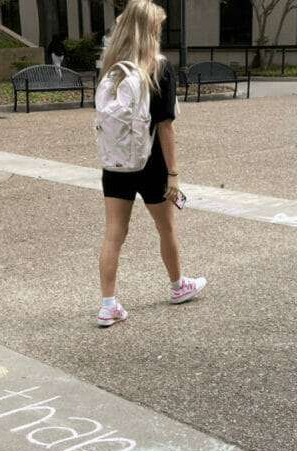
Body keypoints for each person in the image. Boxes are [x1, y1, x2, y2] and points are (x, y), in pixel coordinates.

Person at [94, 0, 206, 328]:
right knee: (166, 227)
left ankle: (107, 305)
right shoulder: (157, 67)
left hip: (115, 163)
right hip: (151, 162)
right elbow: (166, 126)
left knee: (114, 233)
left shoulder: (111, 67)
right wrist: (174, 174)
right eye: (157, 26)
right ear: (150, 29)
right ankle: (178, 286)